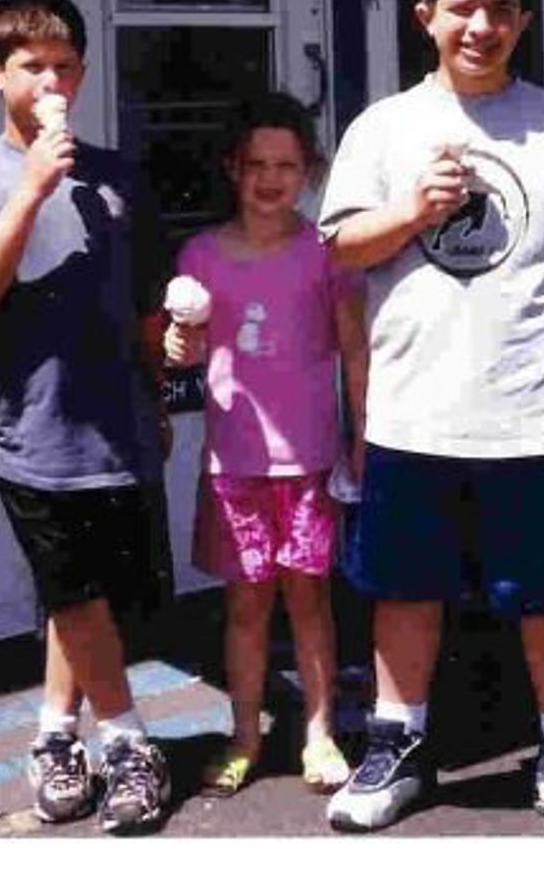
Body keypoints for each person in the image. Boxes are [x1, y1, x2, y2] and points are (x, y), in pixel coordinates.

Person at [316, 0, 544, 837]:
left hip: (533, 408)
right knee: (403, 588)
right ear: (426, 15)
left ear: (523, 17)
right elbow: (338, 249)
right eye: (461, 7)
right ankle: (400, 744)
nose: (479, 25)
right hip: (414, 411)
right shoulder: (386, 127)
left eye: (499, 8)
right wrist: (415, 207)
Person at [0, 0, 174, 835]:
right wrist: (31, 186)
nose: (51, 80)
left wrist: (162, 376)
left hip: (118, 425)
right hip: (30, 429)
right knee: (74, 594)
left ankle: (51, 736)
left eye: (65, 65)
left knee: (88, 594)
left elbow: (146, 301)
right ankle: (130, 742)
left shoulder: (116, 176)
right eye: (32, 66)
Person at [164, 91, 369, 798]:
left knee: (310, 602)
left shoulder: (325, 251)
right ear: (233, 168)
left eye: (286, 164)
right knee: (247, 606)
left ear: (307, 171)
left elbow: (353, 346)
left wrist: (362, 433)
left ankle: (320, 733)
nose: (271, 178)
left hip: (309, 459)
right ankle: (245, 733)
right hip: (234, 463)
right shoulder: (200, 254)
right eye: (257, 164)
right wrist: (177, 340)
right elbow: (184, 353)